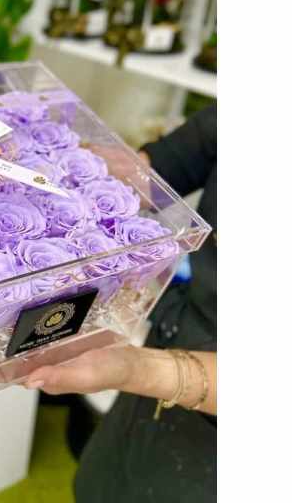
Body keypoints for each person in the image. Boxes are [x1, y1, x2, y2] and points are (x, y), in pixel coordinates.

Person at [25, 104, 217, 503]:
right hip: (174, 339)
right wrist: (32, 152)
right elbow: (152, 173)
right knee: (103, 482)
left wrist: (136, 369)